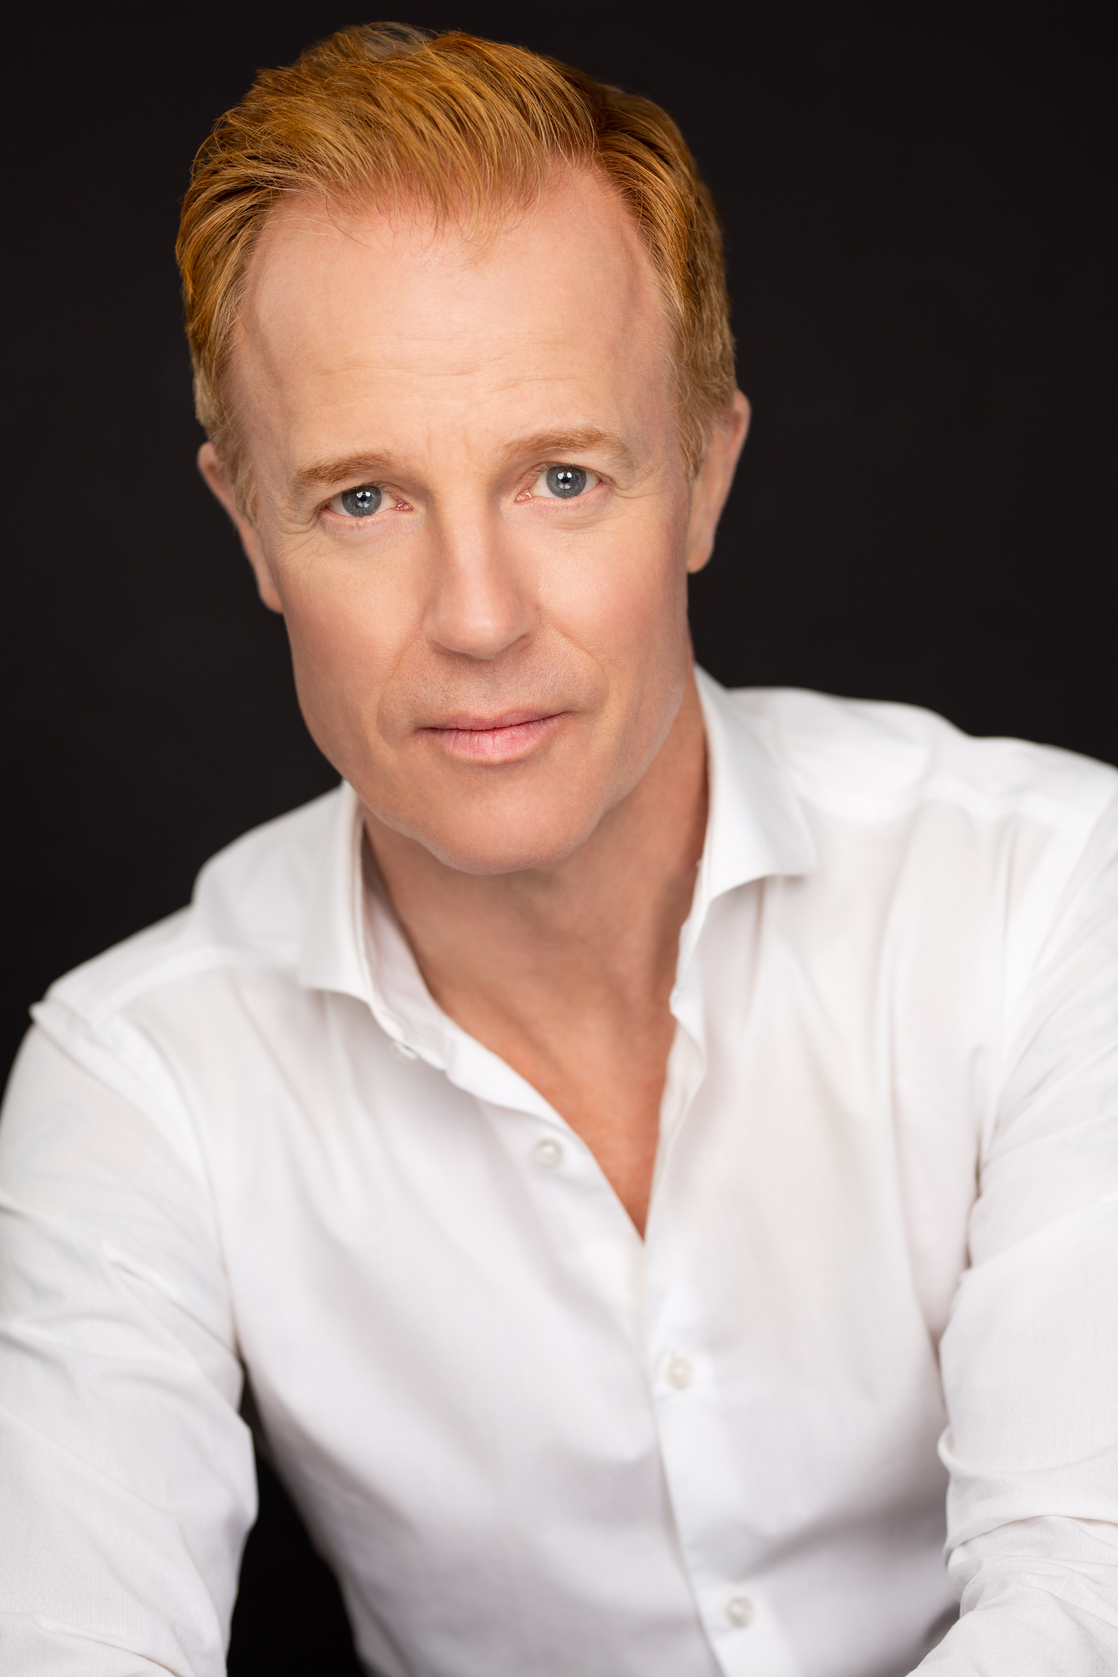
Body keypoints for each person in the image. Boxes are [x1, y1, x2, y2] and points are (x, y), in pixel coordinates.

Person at [1, 21, 1116, 1676]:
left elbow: (1086, 1587)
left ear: (704, 477)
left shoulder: (1050, 888)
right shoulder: (139, 1079)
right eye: (363, 499)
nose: (476, 617)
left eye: (563, 477)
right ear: (249, 529)